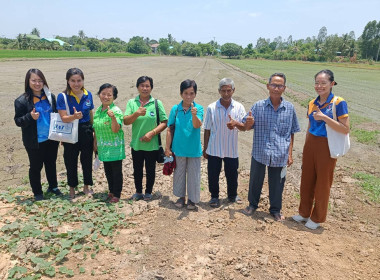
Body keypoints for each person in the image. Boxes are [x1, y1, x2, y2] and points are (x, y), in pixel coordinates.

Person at [292, 70, 349, 230]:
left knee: (323, 182)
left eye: (323, 83)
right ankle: (303, 213)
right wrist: (306, 146)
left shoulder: (338, 103)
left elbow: (345, 129)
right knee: (306, 180)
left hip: (327, 145)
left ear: (332, 84)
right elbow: (310, 126)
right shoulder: (312, 103)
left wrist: (325, 118)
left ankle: (317, 218)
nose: (319, 86)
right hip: (311, 143)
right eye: (317, 83)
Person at [242, 73, 300, 221]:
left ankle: (275, 209)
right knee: (255, 179)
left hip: (280, 153)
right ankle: (252, 205)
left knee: (277, 183)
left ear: (284, 88)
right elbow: (246, 125)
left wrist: (290, 154)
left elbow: (292, 132)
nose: (276, 88)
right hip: (260, 151)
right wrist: (248, 123)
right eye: (273, 85)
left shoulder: (289, 108)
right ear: (268, 86)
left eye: (280, 85)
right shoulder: (258, 106)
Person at [14, 68, 61, 201]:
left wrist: (60, 135)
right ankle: (37, 192)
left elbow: (56, 116)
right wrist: (30, 117)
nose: (37, 83)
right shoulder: (22, 101)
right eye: (34, 80)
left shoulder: (50, 97)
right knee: (36, 167)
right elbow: (18, 121)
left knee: (51, 163)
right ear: (28, 81)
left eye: (40, 80)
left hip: (51, 138)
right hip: (34, 140)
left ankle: (53, 186)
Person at [203, 78, 246, 207]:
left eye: (229, 90)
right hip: (214, 148)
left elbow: (244, 127)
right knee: (213, 175)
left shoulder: (239, 107)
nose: (226, 94)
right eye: (223, 91)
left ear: (233, 90)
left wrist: (236, 124)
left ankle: (232, 195)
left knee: (232, 174)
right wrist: (205, 148)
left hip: (231, 149)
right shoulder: (212, 107)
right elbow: (207, 129)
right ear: (219, 91)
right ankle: (214, 197)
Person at [123, 76, 167, 201]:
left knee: (150, 169)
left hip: (152, 145)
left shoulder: (157, 103)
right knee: (137, 169)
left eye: (147, 86)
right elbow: (126, 121)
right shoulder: (132, 103)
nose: (145, 88)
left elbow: (164, 122)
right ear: (137, 87)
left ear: (151, 88)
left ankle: (148, 192)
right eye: (142, 86)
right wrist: (136, 113)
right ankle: (138, 192)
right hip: (137, 144)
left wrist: (152, 133)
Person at [165, 79, 204, 210]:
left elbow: (197, 125)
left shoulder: (199, 108)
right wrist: (167, 148)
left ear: (195, 94)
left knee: (194, 175)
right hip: (178, 148)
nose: (188, 96)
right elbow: (170, 128)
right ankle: (181, 197)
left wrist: (194, 115)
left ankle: (192, 200)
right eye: (186, 93)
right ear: (181, 93)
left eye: (191, 93)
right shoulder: (176, 109)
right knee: (179, 174)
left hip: (194, 149)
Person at [57, 68, 94, 200]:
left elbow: (90, 114)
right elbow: (63, 118)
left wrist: (93, 131)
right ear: (68, 81)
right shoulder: (63, 96)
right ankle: (72, 188)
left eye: (79, 80)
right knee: (70, 161)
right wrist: (74, 116)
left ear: (83, 81)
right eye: (73, 81)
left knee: (87, 160)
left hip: (86, 130)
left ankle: (86, 187)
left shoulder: (88, 94)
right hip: (70, 130)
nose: (76, 83)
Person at [93, 83, 125, 203]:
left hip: (115, 148)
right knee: (108, 171)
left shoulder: (116, 110)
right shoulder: (97, 111)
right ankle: (111, 191)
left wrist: (112, 118)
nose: (106, 97)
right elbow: (96, 128)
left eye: (109, 95)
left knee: (116, 172)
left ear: (114, 97)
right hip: (103, 147)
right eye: (103, 94)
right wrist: (95, 143)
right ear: (99, 94)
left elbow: (116, 129)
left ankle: (117, 194)